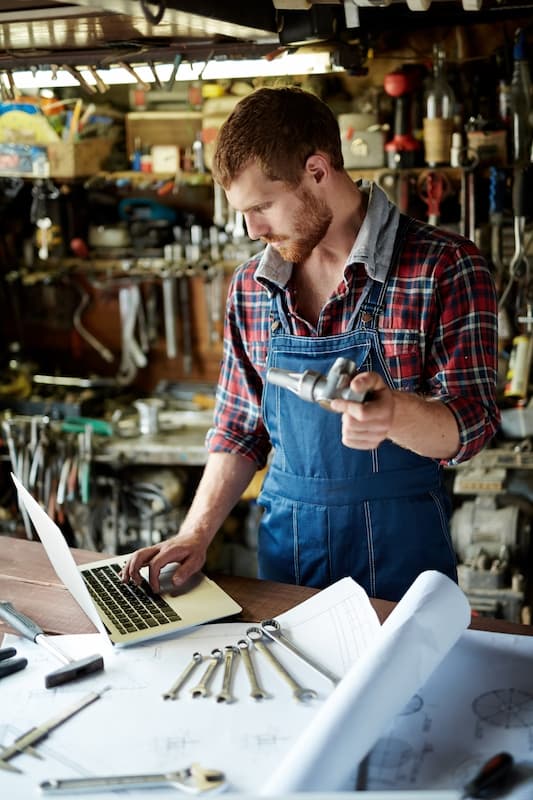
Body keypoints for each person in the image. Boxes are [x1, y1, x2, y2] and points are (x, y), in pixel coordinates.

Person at [122, 86, 500, 602]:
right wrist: (196, 532)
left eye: (263, 206)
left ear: (317, 171)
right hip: (287, 558)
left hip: (403, 568)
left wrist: (394, 415)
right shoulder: (252, 287)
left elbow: (472, 426)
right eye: (242, 211)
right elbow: (238, 430)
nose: (253, 229)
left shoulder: (444, 266)